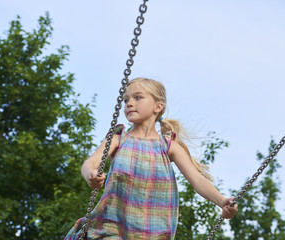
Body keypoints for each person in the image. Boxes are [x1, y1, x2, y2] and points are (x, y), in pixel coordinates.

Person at [65, 77, 238, 240]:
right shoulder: (119, 139)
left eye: (138, 97)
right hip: (112, 226)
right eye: (126, 100)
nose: (129, 103)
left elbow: (198, 180)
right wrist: (91, 175)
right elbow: (90, 163)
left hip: (152, 231)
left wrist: (221, 201)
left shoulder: (168, 146)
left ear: (157, 106)